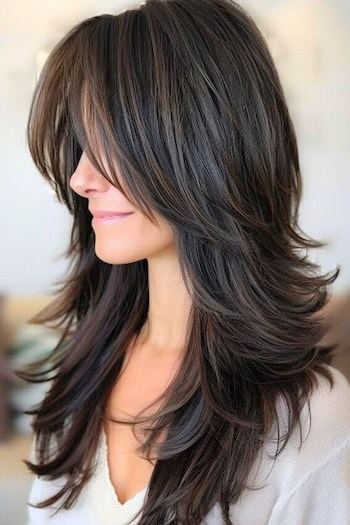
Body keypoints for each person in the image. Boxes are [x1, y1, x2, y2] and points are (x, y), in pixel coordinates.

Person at [18, 0, 350, 523]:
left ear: (204, 143)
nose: (81, 179)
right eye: (81, 142)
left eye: (108, 137)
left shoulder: (310, 420)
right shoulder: (82, 369)